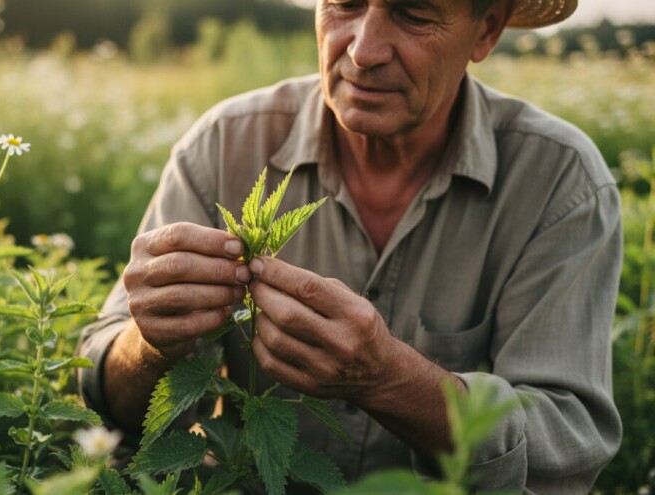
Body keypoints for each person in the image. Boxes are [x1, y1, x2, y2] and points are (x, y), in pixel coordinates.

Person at [78, 0, 622, 491]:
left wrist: (388, 378)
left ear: (487, 30)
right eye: (345, 3)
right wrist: (151, 342)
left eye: (413, 14)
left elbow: (566, 445)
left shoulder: (558, 181)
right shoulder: (224, 144)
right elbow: (104, 400)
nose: (362, 51)